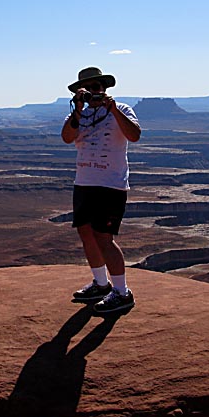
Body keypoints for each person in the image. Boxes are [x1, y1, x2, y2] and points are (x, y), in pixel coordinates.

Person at [61, 66, 141, 314]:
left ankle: (122, 292)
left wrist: (113, 108)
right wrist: (78, 109)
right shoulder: (79, 115)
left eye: (98, 87)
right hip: (84, 182)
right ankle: (101, 284)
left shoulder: (123, 110)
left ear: (105, 89)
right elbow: (66, 137)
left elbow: (134, 135)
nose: (95, 92)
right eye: (88, 89)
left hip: (110, 184)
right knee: (86, 234)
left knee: (105, 239)